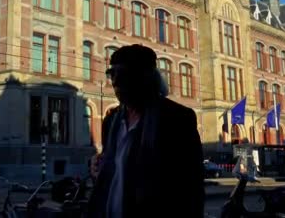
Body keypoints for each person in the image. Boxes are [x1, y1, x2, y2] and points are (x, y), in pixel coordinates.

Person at [87, 44, 205, 218]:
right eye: (112, 74)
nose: (115, 81)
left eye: (124, 73)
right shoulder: (111, 121)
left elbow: (192, 188)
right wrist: (98, 167)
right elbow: (112, 171)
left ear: (146, 77)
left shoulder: (177, 119)